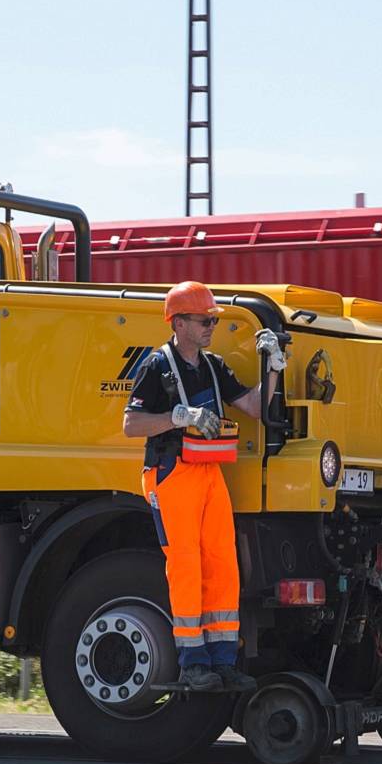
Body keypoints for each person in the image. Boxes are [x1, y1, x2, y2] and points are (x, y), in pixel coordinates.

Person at [122, 281, 286, 692]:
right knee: (186, 565)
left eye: (213, 318)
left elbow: (253, 407)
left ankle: (221, 659)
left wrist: (273, 369)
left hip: (210, 473)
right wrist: (179, 416)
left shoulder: (212, 365)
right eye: (204, 319)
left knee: (222, 565)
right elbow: (131, 424)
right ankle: (193, 662)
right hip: (172, 472)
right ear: (178, 323)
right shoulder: (156, 366)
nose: (212, 325)